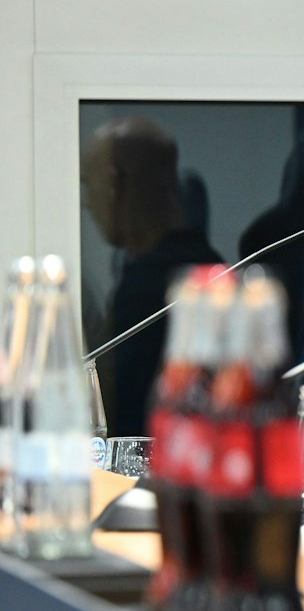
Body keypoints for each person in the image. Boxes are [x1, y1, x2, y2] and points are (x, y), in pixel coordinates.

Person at [80, 116, 225, 437]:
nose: (86, 204)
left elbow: (126, 425)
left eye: (89, 187)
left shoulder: (154, 290)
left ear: (113, 185)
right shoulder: (207, 267)